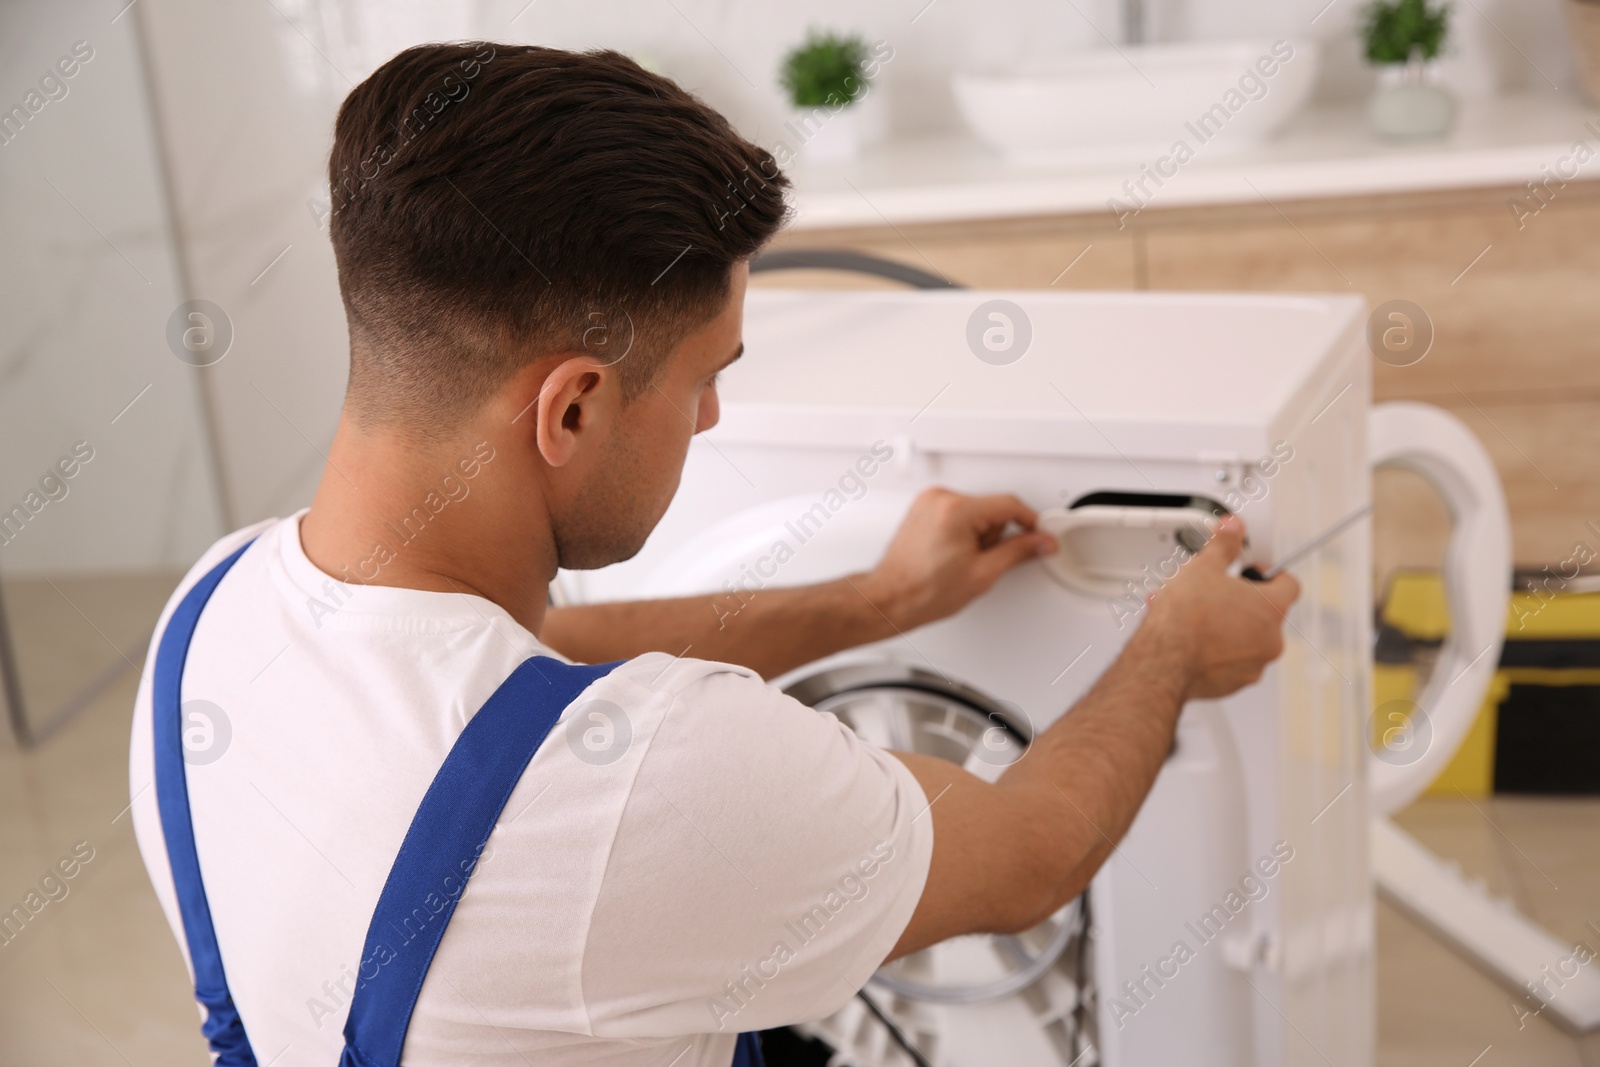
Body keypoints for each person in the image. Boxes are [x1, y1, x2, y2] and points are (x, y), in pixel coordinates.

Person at [129, 42, 1299, 1067]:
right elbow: (1029, 853)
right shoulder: (666, 775)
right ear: (571, 408)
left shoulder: (209, 617)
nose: (711, 421)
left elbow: (516, 676)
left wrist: (879, 597)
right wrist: (1172, 650)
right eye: (705, 376)